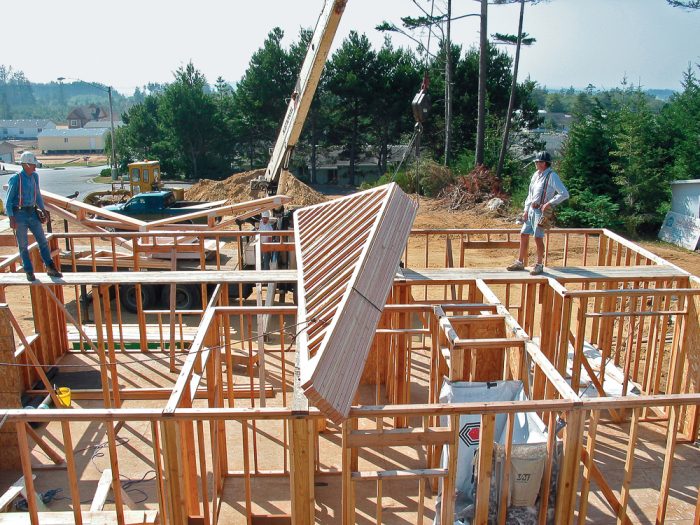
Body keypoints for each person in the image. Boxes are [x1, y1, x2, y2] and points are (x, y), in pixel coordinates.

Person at [506, 151, 569, 275]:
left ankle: (539, 265)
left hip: (541, 212)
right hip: (531, 210)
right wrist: (525, 210)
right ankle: (519, 262)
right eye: (536, 161)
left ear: (545, 163)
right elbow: (530, 194)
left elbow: (564, 194)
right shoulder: (536, 175)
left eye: (539, 161)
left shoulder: (552, 176)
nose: (536, 163)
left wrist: (550, 203)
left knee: (538, 237)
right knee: (523, 234)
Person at [6, 151, 63, 281]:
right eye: (32, 165)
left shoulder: (34, 177)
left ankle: (50, 267)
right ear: (25, 165)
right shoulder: (16, 179)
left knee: (42, 240)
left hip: (32, 212)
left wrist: (43, 209)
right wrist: (11, 217)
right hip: (19, 214)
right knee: (23, 244)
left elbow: (37, 195)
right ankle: (29, 271)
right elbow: (8, 200)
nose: (35, 167)